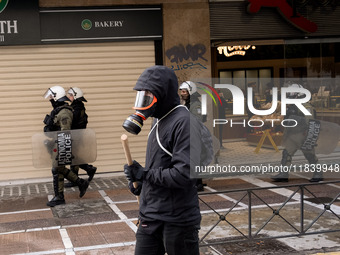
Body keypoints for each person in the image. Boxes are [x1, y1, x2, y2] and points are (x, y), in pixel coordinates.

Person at [123, 66, 202, 255]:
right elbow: (159, 165)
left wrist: (145, 174)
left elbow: (184, 174)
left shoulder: (184, 122)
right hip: (151, 215)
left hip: (178, 220)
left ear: (164, 94)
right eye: (143, 94)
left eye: (150, 94)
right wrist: (140, 182)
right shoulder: (158, 119)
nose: (145, 100)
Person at [43, 86, 89, 207]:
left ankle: (60, 196)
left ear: (57, 96)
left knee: (57, 169)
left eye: (53, 96)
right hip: (58, 143)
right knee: (58, 169)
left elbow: (65, 132)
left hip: (61, 143)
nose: (51, 98)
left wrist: (61, 148)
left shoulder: (64, 112)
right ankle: (80, 183)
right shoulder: (59, 109)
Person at [271, 83, 322, 183]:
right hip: (294, 135)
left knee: (310, 155)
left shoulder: (306, 106)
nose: (289, 96)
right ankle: (284, 174)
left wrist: (308, 134)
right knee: (287, 153)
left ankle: (318, 173)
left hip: (304, 134)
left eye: (291, 94)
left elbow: (309, 120)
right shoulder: (293, 106)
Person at [64, 87, 97, 188]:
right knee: (73, 157)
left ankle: (76, 178)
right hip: (75, 135)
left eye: (70, 95)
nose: (69, 96)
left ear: (75, 96)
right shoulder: (77, 106)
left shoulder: (77, 108)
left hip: (76, 136)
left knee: (73, 157)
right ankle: (89, 169)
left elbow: (73, 122)